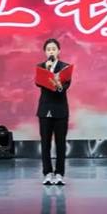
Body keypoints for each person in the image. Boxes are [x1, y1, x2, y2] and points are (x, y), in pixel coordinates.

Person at [36, 38, 71, 186]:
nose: (51, 51)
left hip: (60, 109)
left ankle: (59, 174)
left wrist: (57, 82)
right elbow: (38, 83)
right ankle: (48, 173)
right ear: (45, 52)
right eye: (48, 49)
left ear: (58, 51)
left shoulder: (65, 67)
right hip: (45, 110)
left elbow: (65, 87)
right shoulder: (41, 67)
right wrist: (48, 71)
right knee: (45, 143)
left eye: (54, 49)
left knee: (60, 143)